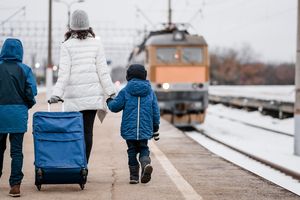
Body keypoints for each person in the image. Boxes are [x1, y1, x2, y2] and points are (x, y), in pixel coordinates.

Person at [49, 10, 115, 163]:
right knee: (87, 133)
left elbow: (63, 74)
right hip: (92, 99)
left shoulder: (66, 46)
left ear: (71, 26)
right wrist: (111, 92)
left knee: (74, 133)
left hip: (74, 100)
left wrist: (56, 94)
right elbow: (103, 72)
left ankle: (75, 164)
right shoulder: (97, 44)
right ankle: (84, 166)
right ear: (88, 25)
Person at [106, 64, 160, 184]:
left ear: (128, 76)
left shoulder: (125, 91)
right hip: (145, 128)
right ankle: (146, 164)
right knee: (144, 148)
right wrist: (155, 127)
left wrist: (109, 101)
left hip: (129, 129)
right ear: (144, 75)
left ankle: (134, 177)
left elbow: (115, 107)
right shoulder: (150, 92)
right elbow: (155, 111)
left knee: (131, 151)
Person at [0, 38, 37, 197]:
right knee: (16, 152)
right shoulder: (25, 69)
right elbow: (31, 91)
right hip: (17, 115)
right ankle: (15, 185)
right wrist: (28, 104)